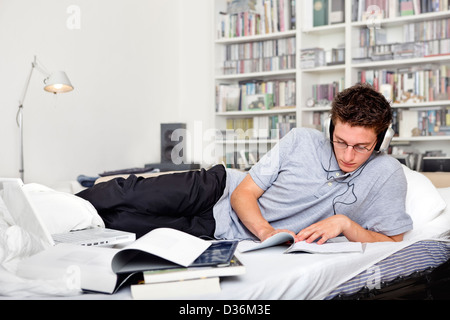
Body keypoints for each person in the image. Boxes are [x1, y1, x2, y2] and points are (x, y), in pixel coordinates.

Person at [76, 83, 413, 243]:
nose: (347, 155)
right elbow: (243, 195)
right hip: (217, 190)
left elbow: (393, 242)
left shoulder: (386, 174)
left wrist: (345, 224)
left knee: (123, 225)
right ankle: (57, 206)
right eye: (340, 141)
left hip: (221, 229)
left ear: (380, 141)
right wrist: (267, 233)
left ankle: (66, 225)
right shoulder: (301, 140)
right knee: (130, 192)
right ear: (330, 129)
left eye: (361, 147)